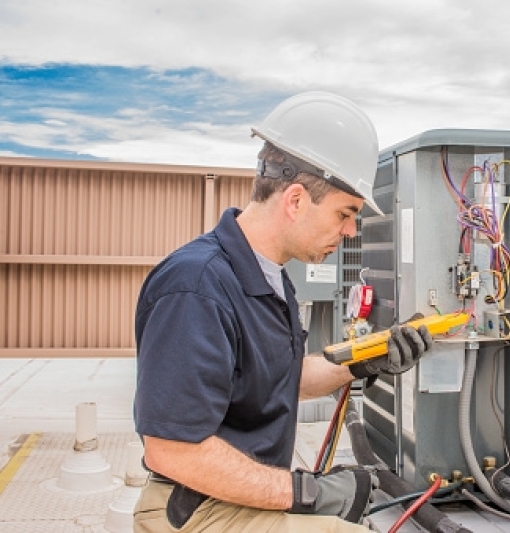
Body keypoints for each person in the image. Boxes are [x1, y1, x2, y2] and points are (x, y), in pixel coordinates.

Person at [132, 91, 434, 532]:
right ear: (295, 200)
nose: (350, 232)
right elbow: (173, 449)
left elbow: (282, 380)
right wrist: (305, 493)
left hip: (236, 496)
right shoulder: (196, 288)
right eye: (345, 214)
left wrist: (367, 358)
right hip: (195, 509)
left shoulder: (268, 278)